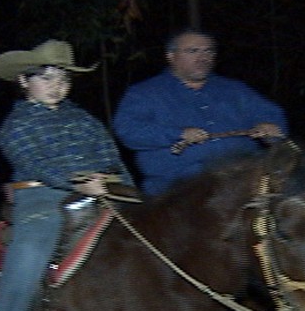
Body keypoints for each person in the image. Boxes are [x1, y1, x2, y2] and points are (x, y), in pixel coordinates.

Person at [0, 39, 135, 311]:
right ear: (24, 81)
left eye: (63, 79)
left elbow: (111, 155)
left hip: (102, 188)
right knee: (36, 238)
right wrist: (77, 181)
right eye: (47, 77)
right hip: (42, 194)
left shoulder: (85, 120)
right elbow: (34, 162)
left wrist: (128, 189)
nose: (57, 86)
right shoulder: (17, 123)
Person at [113, 28, 287, 196]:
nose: (203, 57)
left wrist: (270, 129)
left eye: (209, 51)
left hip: (242, 180)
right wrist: (177, 134)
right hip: (178, 190)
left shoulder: (234, 90)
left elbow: (271, 116)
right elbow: (129, 131)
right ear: (171, 56)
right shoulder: (145, 93)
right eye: (193, 51)